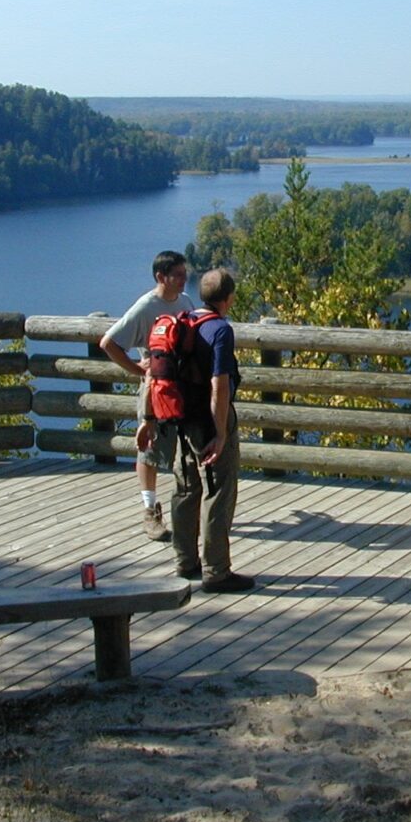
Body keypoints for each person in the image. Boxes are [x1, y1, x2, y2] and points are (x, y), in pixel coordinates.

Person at [147, 268, 254, 593]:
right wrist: (221, 433)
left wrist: (150, 418)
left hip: (180, 419)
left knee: (185, 487)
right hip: (208, 420)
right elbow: (219, 383)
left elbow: (155, 375)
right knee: (219, 492)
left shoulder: (183, 321)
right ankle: (217, 572)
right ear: (229, 298)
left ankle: (185, 561)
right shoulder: (220, 330)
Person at [98, 250, 194, 542]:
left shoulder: (186, 302)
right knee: (149, 451)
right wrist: (138, 370)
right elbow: (108, 343)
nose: (183, 279)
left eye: (183, 273)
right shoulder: (145, 307)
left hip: (182, 388)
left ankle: (185, 507)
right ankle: (149, 511)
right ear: (160, 277)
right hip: (155, 391)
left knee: (184, 448)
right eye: (177, 274)